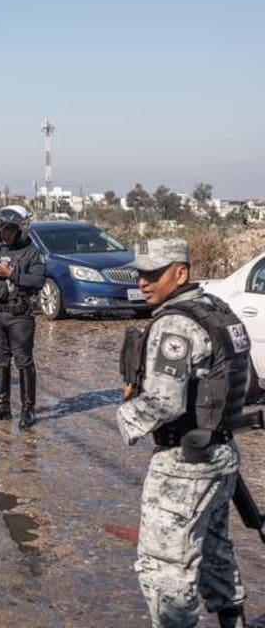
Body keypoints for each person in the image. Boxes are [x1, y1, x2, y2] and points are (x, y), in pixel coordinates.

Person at [117, 238, 252, 628]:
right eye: (141, 273)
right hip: (221, 452)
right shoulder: (217, 310)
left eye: (154, 274)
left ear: (181, 272)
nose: (144, 282)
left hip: (184, 463)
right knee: (214, 549)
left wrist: (125, 415)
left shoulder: (175, 322)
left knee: (165, 567)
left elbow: (163, 403)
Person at [0, 205, 45, 427]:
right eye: (1, 229)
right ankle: (2, 406)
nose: (4, 234)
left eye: (8, 230)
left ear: (19, 230)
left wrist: (12, 274)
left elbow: (37, 281)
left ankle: (28, 409)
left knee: (23, 361)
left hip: (19, 315)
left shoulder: (32, 252)